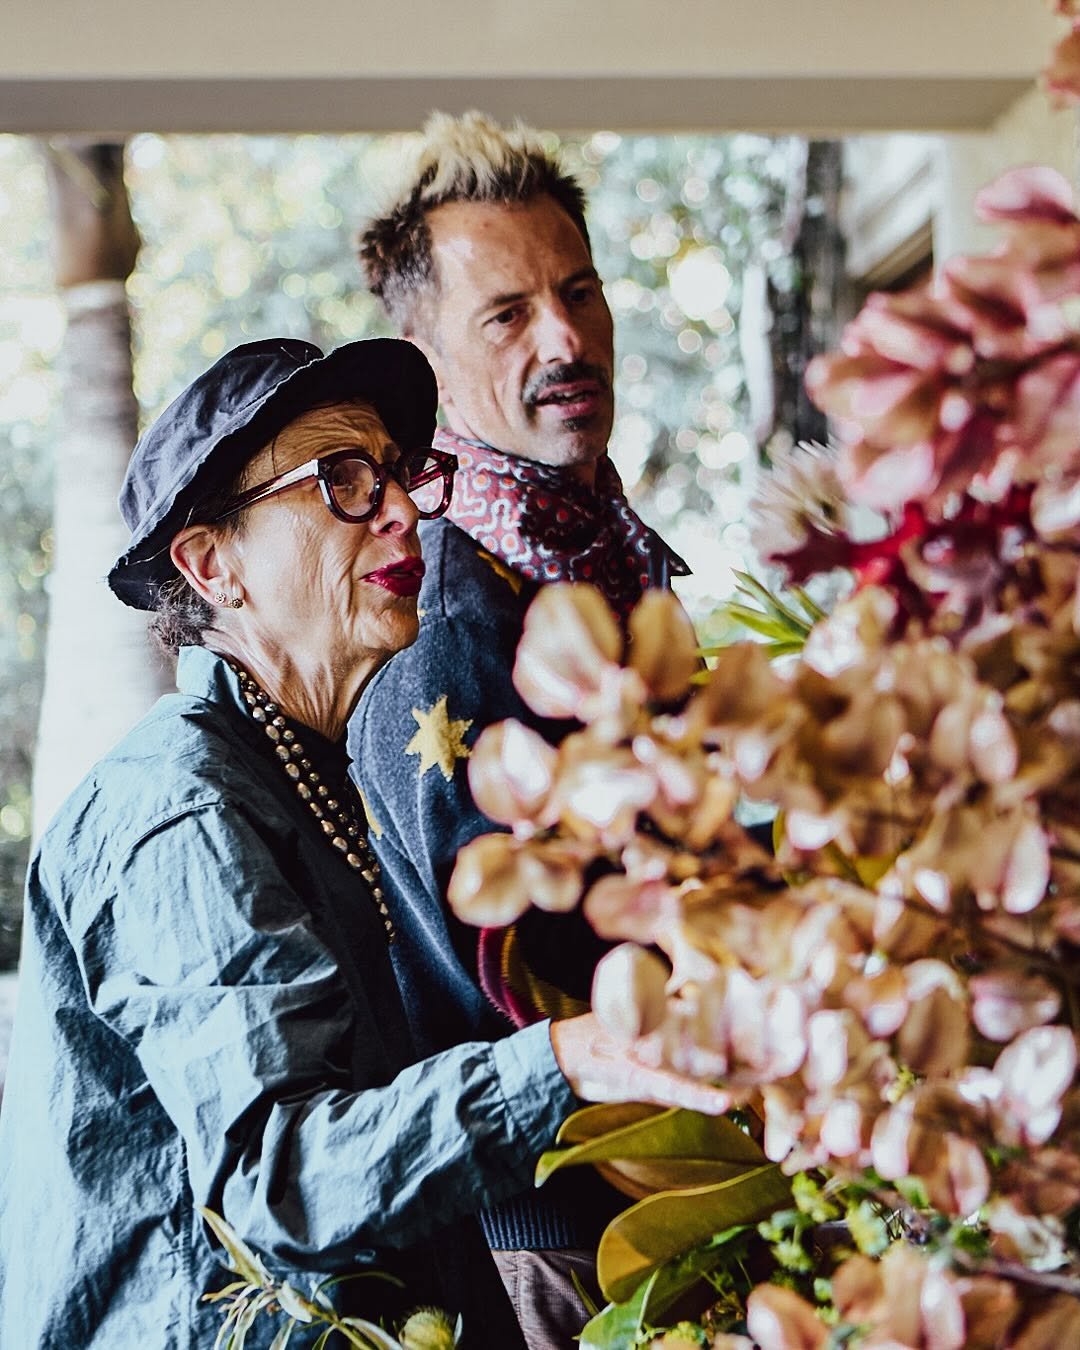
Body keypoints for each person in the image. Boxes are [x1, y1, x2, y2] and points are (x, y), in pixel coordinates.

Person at [0, 337, 725, 1350]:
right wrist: (568, 1059)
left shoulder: (296, 772)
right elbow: (283, 1182)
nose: (401, 511)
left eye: (398, 474)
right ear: (214, 565)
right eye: (340, 479)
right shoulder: (180, 811)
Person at [348, 112, 691, 1341]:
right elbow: (501, 979)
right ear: (423, 351)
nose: (566, 338)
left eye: (581, 292)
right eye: (506, 314)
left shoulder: (613, 562)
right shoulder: (448, 616)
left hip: (686, 1168)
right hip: (563, 1217)